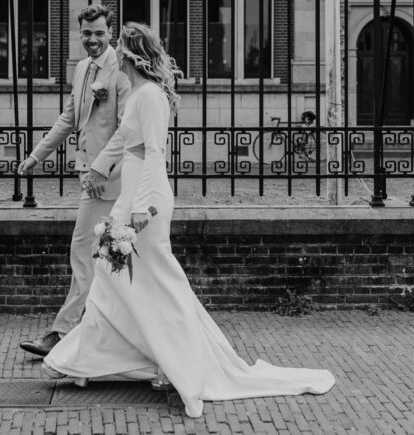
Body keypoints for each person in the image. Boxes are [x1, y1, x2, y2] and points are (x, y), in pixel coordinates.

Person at [42, 22, 336, 419]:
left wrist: (141, 208)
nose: (114, 56)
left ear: (131, 57)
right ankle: (91, 360)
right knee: (113, 280)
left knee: (151, 282)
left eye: (120, 50)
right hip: (130, 197)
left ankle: (165, 360)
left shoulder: (149, 96)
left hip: (144, 201)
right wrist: (107, 178)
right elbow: (124, 143)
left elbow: (154, 154)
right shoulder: (140, 95)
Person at [17, 4, 130, 357]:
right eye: (86, 33)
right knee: (110, 257)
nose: (92, 40)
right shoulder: (82, 69)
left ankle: (63, 332)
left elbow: (127, 129)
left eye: (99, 33)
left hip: (110, 179)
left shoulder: (122, 69)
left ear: (111, 33)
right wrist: (36, 156)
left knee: (84, 251)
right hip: (90, 177)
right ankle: (107, 333)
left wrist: (100, 168)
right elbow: (68, 119)